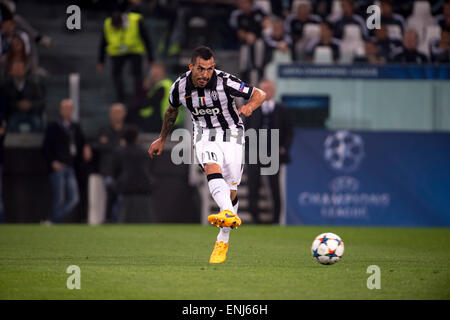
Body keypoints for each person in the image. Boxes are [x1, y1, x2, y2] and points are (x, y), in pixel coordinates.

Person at [148, 46, 266, 264]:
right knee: (212, 167)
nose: (205, 74)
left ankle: (223, 238)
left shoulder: (224, 81)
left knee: (232, 190)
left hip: (232, 133)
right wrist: (162, 138)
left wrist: (250, 106)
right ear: (191, 66)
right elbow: (171, 111)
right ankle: (227, 216)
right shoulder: (179, 86)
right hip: (203, 134)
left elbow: (260, 93)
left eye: (210, 69)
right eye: (201, 69)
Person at [245, 79, 293, 224]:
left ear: (274, 90)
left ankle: (276, 219)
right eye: (263, 89)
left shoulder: (282, 110)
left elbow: (289, 131)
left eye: (269, 89)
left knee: (275, 187)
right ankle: (255, 218)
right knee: (253, 186)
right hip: (254, 153)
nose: (266, 92)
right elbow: (245, 129)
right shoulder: (252, 109)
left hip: (274, 154)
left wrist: (283, 148)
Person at [42, 99, 92, 223]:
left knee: (74, 198)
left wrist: (86, 147)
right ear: (60, 110)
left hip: (71, 166)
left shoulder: (75, 126)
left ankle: (52, 220)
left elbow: (82, 141)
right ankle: (53, 221)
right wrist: (52, 162)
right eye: (65, 108)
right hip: (58, 166)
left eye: (69, 108)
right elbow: (46, 147)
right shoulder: (53, 126)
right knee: (59, 198)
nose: (67, 110)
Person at [97, 8, 154, 104]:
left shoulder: (135, 20)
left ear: (122, 21)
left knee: (137, 72)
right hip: (117, 52)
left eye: (118, 26)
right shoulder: (107, 24)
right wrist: (101, 61)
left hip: (134, 49)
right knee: (116, 73)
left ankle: (139, 96)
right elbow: (103, 42)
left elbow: (146, 39)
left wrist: (150, 58)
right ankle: (121, 97)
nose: (116, 29)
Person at [112, 124, 153, 223]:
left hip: (124, 187)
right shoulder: (144, 152)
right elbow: (150, 169)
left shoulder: (119, 151)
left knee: (121, 214)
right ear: (136, 137)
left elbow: (115, 170)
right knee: (145, 216)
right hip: (144, 187)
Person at [97, 102, 127, 223]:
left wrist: (110, 144)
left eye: (118, 112)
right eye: (113, 112)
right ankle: (110, 220)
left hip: (123, 171)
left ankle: (117, 221)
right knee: (111, 195)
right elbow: (101, 147)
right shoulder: (104, 129)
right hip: (108, 170)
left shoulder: (127, 130)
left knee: (121, 197)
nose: (116, 115)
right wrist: (119, 145)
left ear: (124, 114)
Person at [229, 0, 270, 85]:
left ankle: (259, 69)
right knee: (244, 66)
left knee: (259, 44)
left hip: (259, 41)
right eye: (241, 3)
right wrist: (247, 36)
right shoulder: (238, 15)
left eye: (245, 2)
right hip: (244, 43)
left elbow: (267, 22)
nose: (243, 5)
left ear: (250, 3)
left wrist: (260, 30)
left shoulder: (258, 11)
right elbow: (238, 32)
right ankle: (242, 85)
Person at [137, 62, 184, 132]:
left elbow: (149, 103)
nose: (154, 73)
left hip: (165, 123)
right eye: (152, 71)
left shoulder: (164, 85)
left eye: (157, 71)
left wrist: (145, 89)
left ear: (164, 73)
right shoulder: (157, 86)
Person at [2, 59, 45, 133]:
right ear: (11, 70)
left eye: (20, 69)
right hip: (13, 114)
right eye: (16, 69)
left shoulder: (33, 85)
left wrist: (30, 104)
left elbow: (41, 102)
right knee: (11, 123)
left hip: (31, 113)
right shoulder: (6, 86)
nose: (18, 71)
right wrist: (17, 105)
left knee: (37, 123)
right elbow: (4, 103)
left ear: (25, 70)